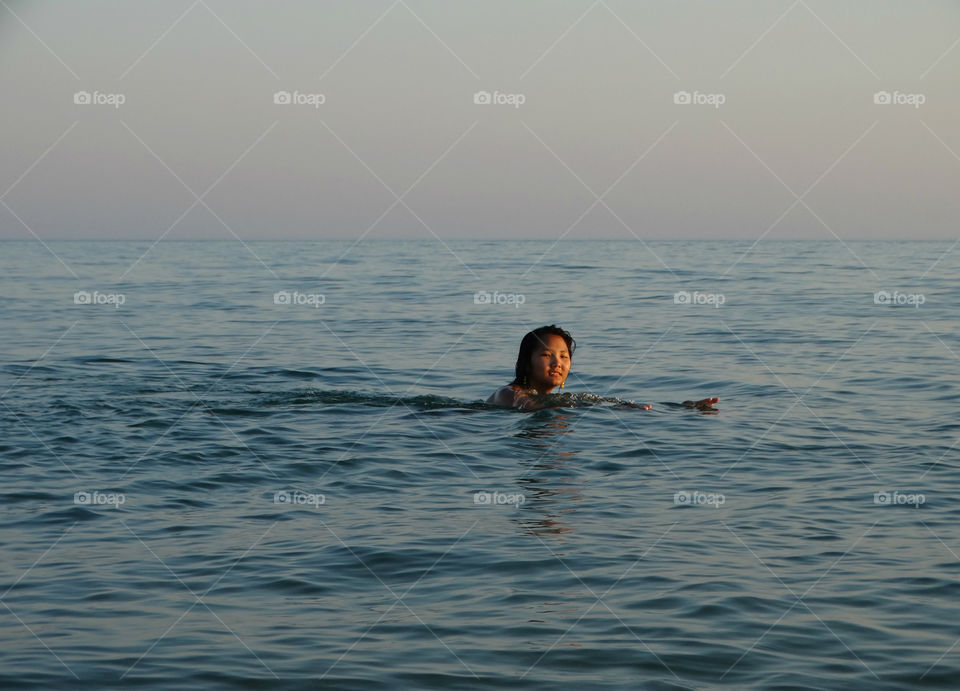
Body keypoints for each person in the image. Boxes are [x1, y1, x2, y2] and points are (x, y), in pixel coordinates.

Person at [486, 325, 718, 412]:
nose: (558, 363)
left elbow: (609, 403)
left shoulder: (562, 398)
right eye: (547, 355)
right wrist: (549, 406)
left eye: (564, 356)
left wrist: (680, 408)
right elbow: (523, 405)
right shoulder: (507, 393)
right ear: (526, 362)